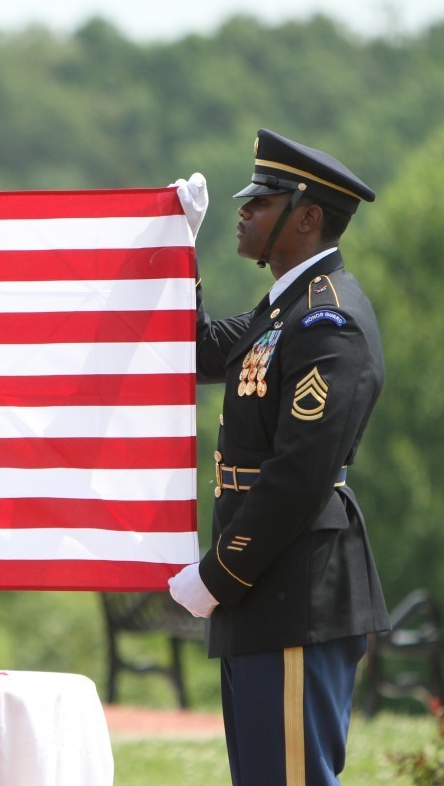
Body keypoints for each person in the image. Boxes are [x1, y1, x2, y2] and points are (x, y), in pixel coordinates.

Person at [167, 130, 389, 785]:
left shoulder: (328, 322)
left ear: (307, 216)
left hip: (294, 589)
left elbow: (299, 475)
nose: (245, 212)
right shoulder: (282, 310)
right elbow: (199, 349)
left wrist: (218, 574)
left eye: (261, 202)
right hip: (268, 590)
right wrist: (174, 249)